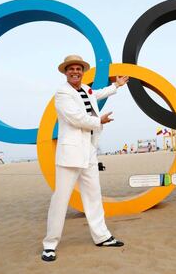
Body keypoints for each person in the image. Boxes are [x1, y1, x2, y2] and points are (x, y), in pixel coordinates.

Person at [42, 55, 128, 262]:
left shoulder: (85, 90)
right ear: (65, 72)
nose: (75, 72)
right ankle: (50, 244)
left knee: (93, 195)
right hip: (70, 154)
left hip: (89, 150)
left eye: (78, 69)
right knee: (60, 199)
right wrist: (99, 120)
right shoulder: (62, 92)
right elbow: (76, 118)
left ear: (82, 71)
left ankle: (102, 236)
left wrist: (116, 85)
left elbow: (95, 94)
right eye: (71, 69)